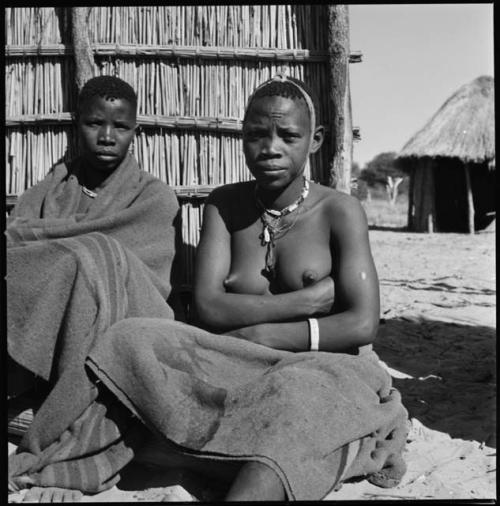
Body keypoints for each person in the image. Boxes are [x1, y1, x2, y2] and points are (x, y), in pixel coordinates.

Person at [7, 76, 180, 501]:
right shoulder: (48, 193)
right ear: (76, 125)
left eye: (120, 127)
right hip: (45, 359)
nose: (106, 136)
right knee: (82, 260)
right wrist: (79, 254)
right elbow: (16, 251)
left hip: (125, 334)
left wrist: (85, 254)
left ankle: (66, 422)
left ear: (135, 131)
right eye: (94, 124)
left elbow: (149, 283)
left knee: (92, 261)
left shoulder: (154, 198)